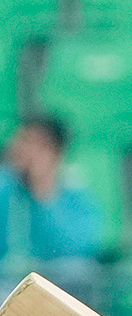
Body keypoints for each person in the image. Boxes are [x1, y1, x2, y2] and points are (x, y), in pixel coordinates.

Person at [0, 116, 103, 305]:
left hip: (56, 285)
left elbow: (75, 249)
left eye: (37, 145)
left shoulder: (73, 193)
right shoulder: (4, 186)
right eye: (22, 140)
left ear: (55, 152)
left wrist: (44, 193)